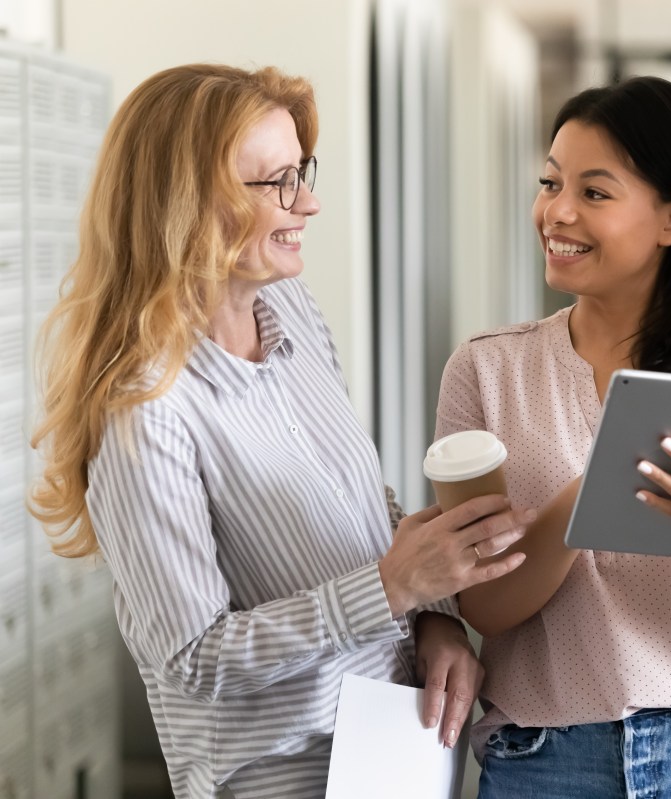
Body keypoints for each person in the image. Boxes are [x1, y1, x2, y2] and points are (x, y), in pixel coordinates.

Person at [27, 64, 532, 799]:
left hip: (394, 744)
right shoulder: (144, 407)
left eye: (303, 172)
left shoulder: (289, 307)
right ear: (190, 203)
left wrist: (434, 618)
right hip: (282, 777)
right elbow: (193, 656)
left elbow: (359, 505)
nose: (311, 202)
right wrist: (393, 586)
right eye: (278, 182)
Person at [434, 75, 671, 797]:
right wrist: (602, 486)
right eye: (550, 183)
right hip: (542, 757)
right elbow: (483, 606)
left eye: (594, 192)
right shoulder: (485, 369)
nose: (556, 211)